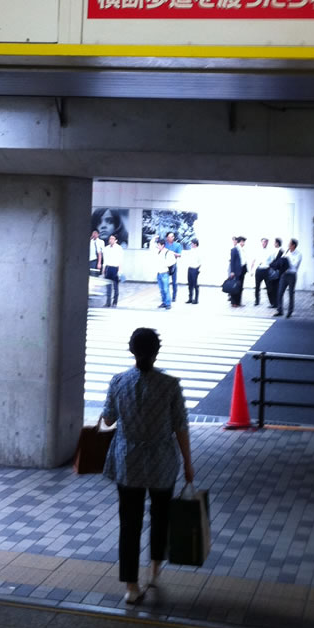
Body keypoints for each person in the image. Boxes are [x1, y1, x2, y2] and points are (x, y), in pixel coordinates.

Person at [101, 327, 194, 604]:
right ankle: (154, 572)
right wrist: (188, 463)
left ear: (132, 350)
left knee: (129, 523)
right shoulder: (170, 384)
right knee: (160, 516)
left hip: (127, 461)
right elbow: (180, 426)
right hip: (162, 462)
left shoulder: (118, 381)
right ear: (157, 352)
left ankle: (131, 587)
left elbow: (108, 420)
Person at [277, 237, 302, 317]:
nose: (288, 245)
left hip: (292, 275)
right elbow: (282, 261)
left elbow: (295, 265)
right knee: (280, 292)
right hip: (284, 274)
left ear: (293, 245)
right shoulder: (286, 252)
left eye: (289, 244)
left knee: (291, 293)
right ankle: (280, 310)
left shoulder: (298, 254)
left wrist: (287, 260)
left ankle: (290, 311)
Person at [102, 233, 124, 306]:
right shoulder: (106, 248)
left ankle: (115, 302)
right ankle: (108, 302)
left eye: (112, 239)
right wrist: (103, 269)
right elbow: (105, 260)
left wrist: (119, 271)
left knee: (115, 286)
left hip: (115, 268)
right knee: (108, 287)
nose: (110, 240)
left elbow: (120, 260)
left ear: (116, 240)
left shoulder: (119, 248)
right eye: (110, 238)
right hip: (108, 267)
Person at [252, 237, 274, 306]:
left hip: (266, 270)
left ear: (267, 243)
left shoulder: (270, 251)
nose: (264, 243)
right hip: (259, 270)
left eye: (265, 242)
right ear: (261, 242)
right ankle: (257, 301)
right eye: (263, 242)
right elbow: (253, 260)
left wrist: (270, 268)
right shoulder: (257, 250)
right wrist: (252, 270)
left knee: (269, 287)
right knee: (257, 287)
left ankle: (272, 302)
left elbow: (272, 261)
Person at [155, 237, 176, 309]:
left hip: (164, 273)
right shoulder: (158, 252)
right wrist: (154, 238)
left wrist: (165, 264)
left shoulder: (168, 252)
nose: (157, 246)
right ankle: (164, 302)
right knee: (161, 289)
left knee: (166, 289)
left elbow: (173, 261)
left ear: (162, 245)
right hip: (159, 272)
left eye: (158, 245)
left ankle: (168, 304)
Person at [266, 237, 287, 307]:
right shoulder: (273, 250)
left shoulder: (282, 251)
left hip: (278, 272)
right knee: (272, 288)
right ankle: (274, 303)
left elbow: (280, 262)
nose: (273, 244)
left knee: (277, 288)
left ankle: (277, 304)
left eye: (274, 242)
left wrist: (272, 265)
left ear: (277, 243)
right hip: (273, 271)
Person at [164, 231, 181, 300]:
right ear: (167, 238)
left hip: (173, 265)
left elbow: (179, 255)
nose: (171, 238)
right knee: (165, 282)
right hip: (165, 266)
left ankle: (174, 296)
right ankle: (166, 296)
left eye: (172, 237)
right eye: (169, 237)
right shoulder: (164, 245)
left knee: (174, 282)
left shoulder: (177, 245)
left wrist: (172, 253)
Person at [227, 236, 243, 307]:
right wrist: (232, 271)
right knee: (233, 286)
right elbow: (232, 261)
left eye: (235, 240)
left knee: (237, 287)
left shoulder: (240, 249)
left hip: (239, 271)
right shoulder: (234, 250)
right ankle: (233, 302)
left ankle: (237, 302)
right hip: (235, 271)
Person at [183, 238, 201, 303]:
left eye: (192, 243)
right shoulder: (191, 250)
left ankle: (196, 299)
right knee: (190, 284)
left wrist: (199, 269)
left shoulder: (199, 251)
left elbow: (200, 262)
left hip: (195, 269)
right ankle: (190, 298)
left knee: (195, 284)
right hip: (190, 268)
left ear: (195, 244)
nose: (191, 244)